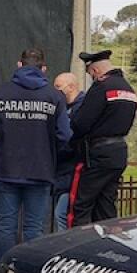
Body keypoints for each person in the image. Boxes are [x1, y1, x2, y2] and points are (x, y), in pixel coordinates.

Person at [0, 48, 72, 262]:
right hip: (41, 171)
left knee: (6, 226)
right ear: (44, 69)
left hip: (7, 170)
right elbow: (65, 135)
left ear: (19, 65)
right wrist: (48, 151)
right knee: (34, 229)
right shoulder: (54, 96)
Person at [68, 50, 137, 226]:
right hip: (118, 153)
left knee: (81, 205)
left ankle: (79, 246)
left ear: (95, 71)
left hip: (98, 155)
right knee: (106, 206)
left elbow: (81, 123)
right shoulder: (128, 88)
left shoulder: (101, 87)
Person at [52, 72, 85, 232]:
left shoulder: (83, 108)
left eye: (58, 87)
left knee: (62, 214)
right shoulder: (63, 108)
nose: (55, 91)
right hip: (63, 172)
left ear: (71, 87)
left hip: (74, 171)